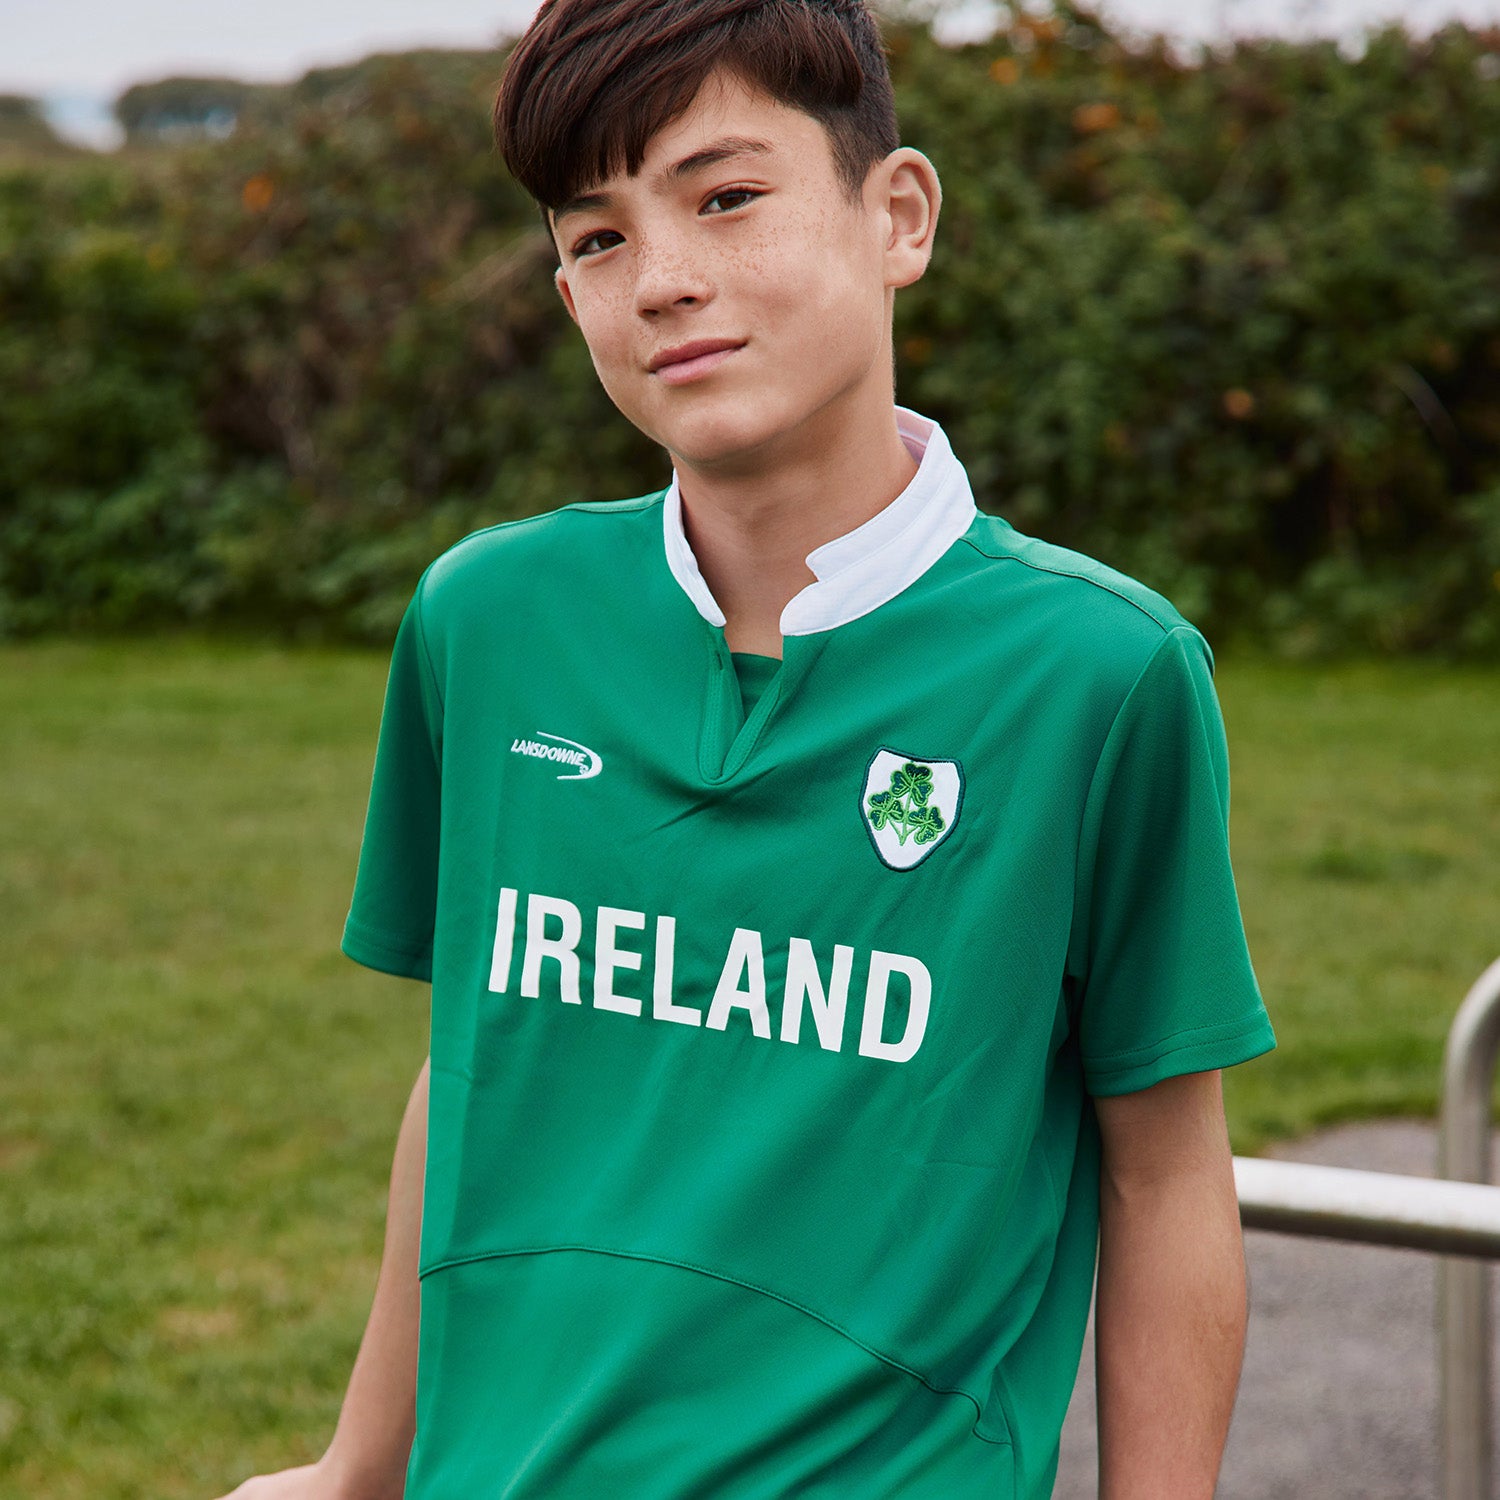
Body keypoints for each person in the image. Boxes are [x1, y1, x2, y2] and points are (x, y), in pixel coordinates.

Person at [217, 0, 1275, 1493]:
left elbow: (1163, 1176)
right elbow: (477, 1074)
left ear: (897, 216)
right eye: (599, 237)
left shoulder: (1102, 673)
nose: (662, 278)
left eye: (724, 198)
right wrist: (354, 1468)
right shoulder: (488, 620)